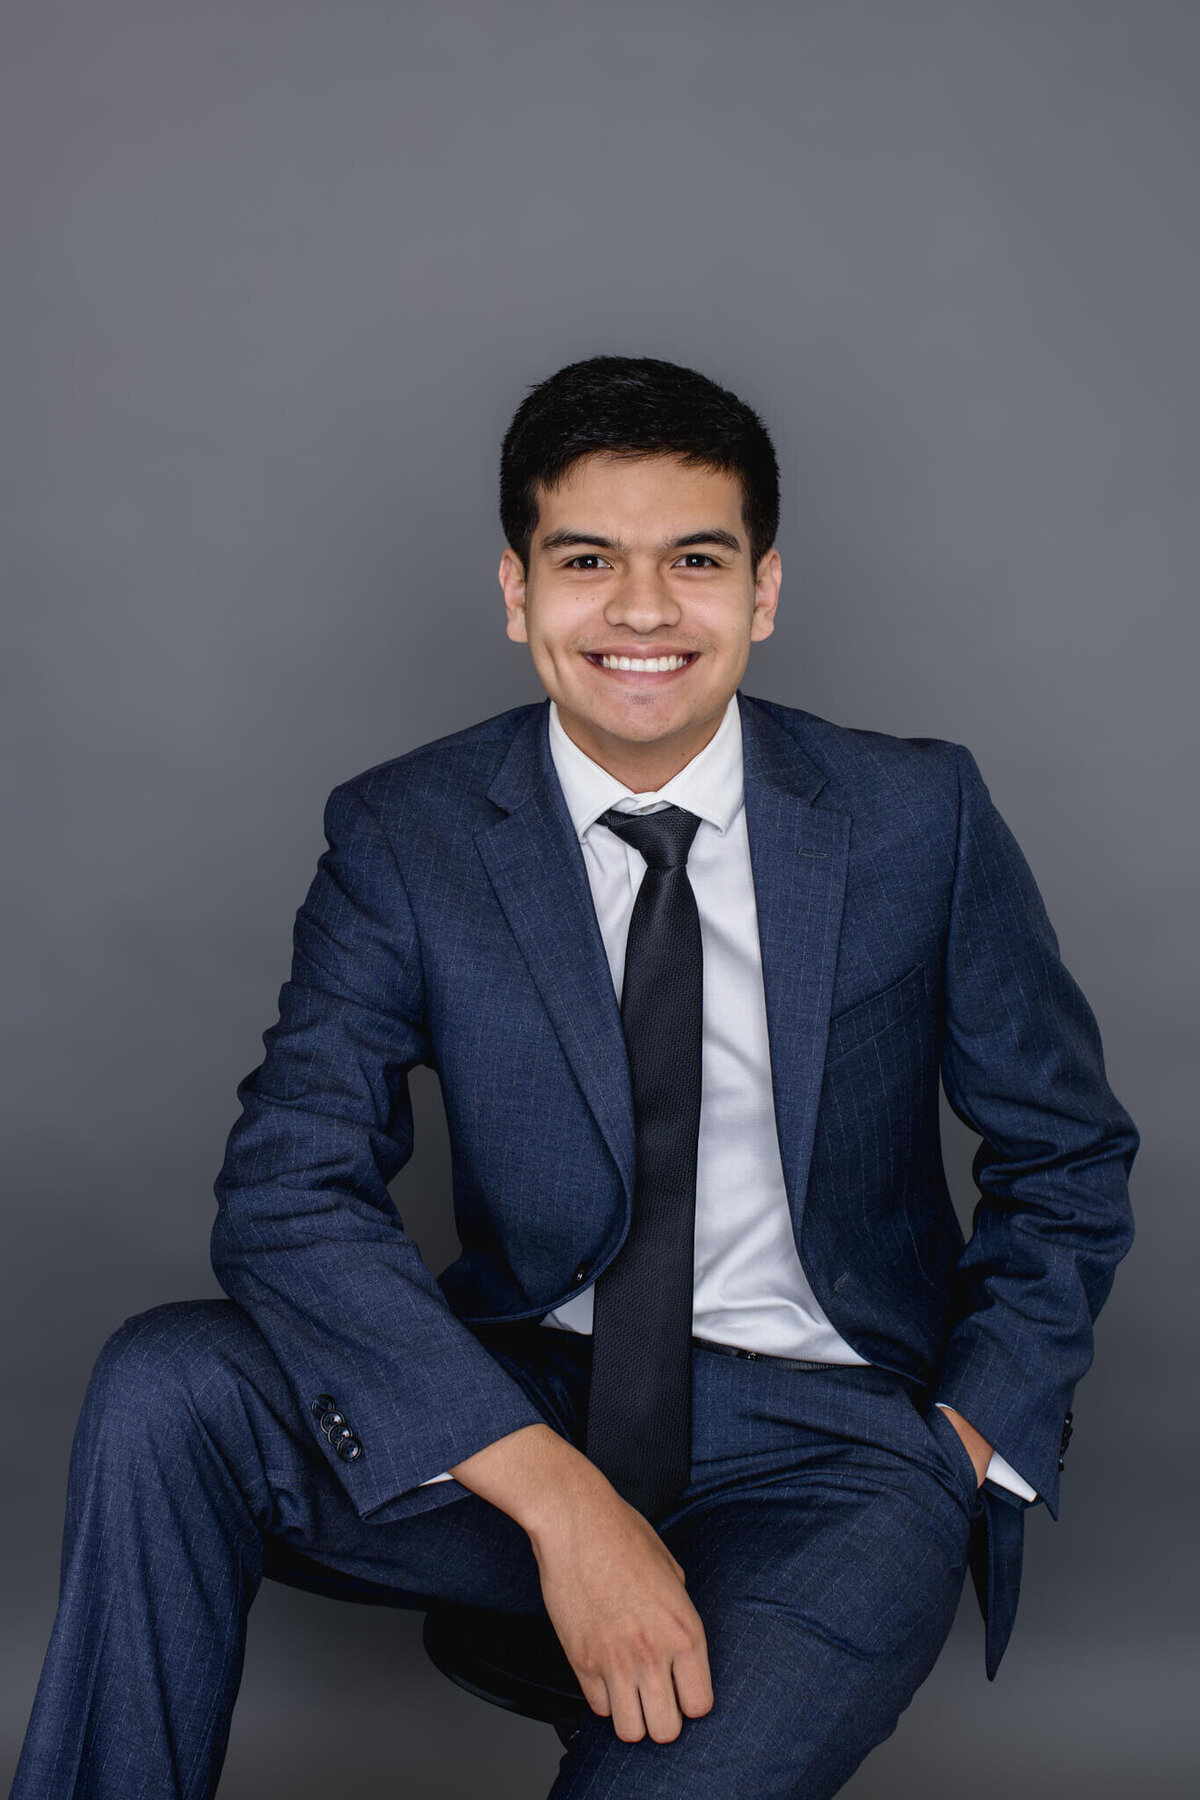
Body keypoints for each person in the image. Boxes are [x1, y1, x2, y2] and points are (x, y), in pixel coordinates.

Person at [10, 355, 1139, 1800]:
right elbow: (288, 1190)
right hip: (525, 1405)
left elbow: (1064, 1153)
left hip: (833, 1453)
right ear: (518, 591)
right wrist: (560, 1500)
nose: (644, 611)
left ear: (764, 591)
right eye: (589, 560)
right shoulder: (408, 834)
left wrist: (968, 1436)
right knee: (167, 1384)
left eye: (697, 561)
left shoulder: (919, 816)